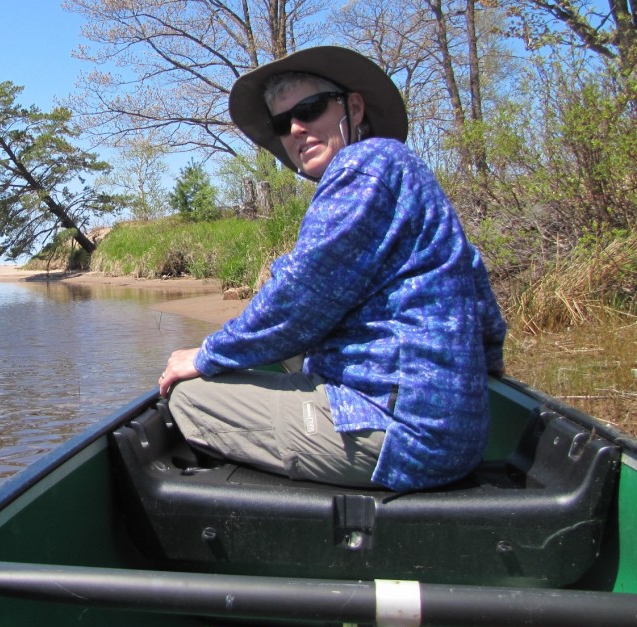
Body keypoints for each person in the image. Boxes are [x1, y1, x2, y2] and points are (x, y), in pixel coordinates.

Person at [158, 46, 506, 493]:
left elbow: (299, 300)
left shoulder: (364, 166)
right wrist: (480, 382)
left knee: (190, 397)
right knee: (279, 349)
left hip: (402, 432)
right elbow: (482, 302)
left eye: (310, 109)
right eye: (283, 123)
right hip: (450, 430)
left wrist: (204, 355)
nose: (297, 129)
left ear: (354, 108)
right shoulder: (405, 171)